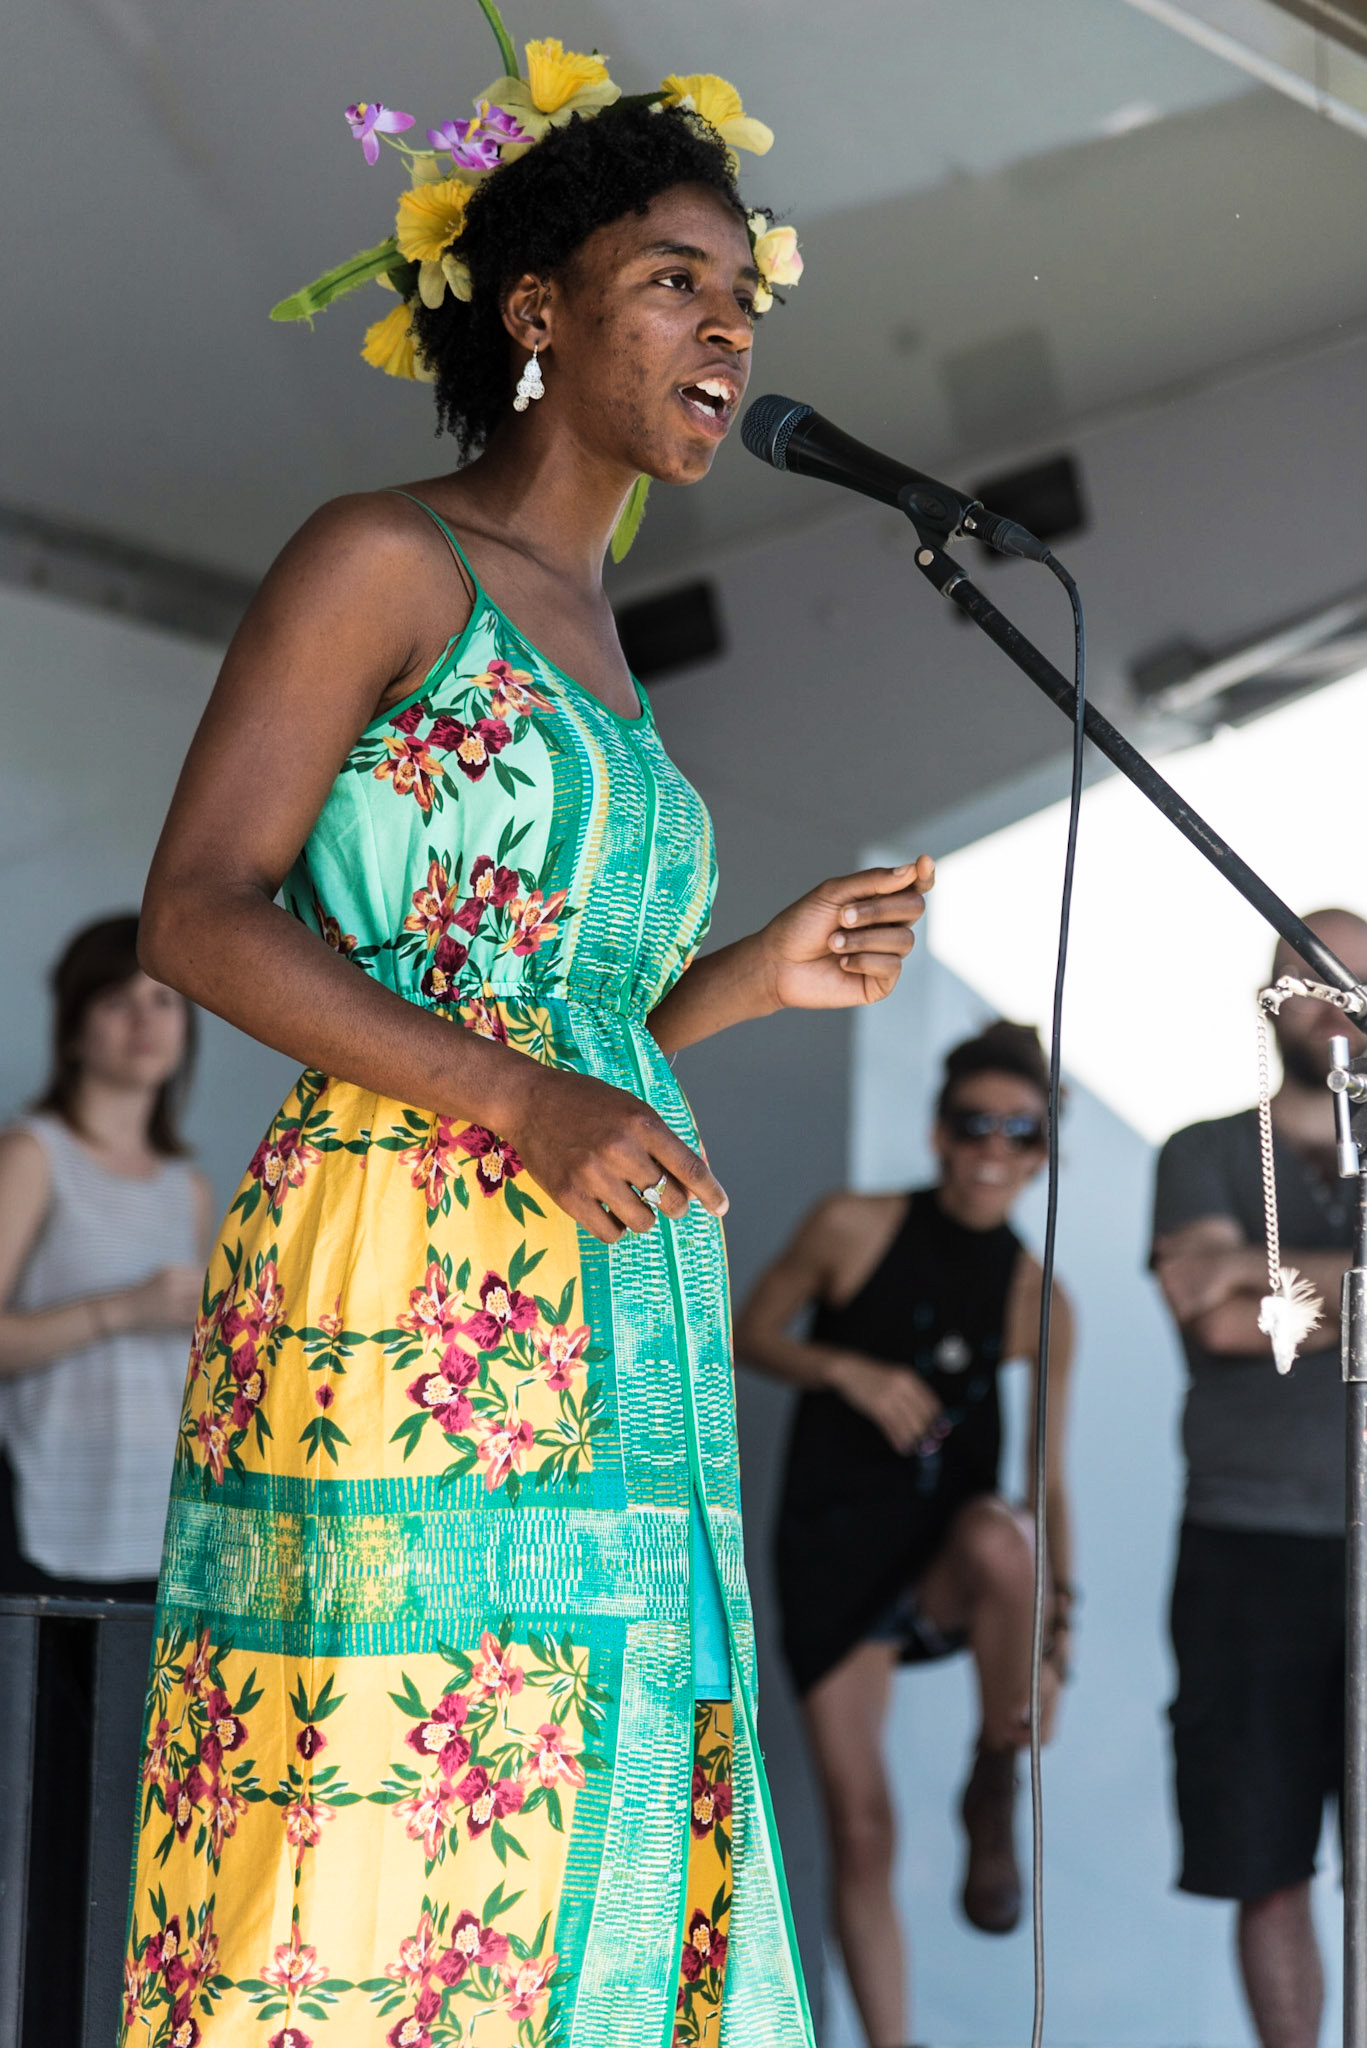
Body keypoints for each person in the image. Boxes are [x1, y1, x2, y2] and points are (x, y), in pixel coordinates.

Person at [118, 23, 936, 2048]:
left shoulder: (605, 644)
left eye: (739, 297)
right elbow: (197, 910)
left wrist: (746, 977)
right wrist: (517, 1093)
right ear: (535, 313)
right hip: (407, 1272)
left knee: (579, 1801)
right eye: (673, 281)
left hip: (603, 1297)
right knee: (384, 1809)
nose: (725, 329)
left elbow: (568, 1017)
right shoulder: (382, 557)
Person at [736, 1020, 1075, 2048]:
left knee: (1007, 1540)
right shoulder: (853, 1223)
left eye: (1020, 1130)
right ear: (937, 1131)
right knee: (862, 1824)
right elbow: (749, 1332)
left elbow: (1045, 1479)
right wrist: (847, 1369)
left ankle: (992, 1774)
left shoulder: (1038, 1295)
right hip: (833, 1543)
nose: (993, 1147)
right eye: (974, 1122)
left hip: (944, 1547)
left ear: (1041, 1152)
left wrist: (1054, 1640)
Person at [1152, 907, 1367, 2048]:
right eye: (1306, 972)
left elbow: (1250, 1302)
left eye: (1353, 979)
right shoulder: (1200, 1152)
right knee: (1262, 1857)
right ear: (1267, 992)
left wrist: (1257, 1265)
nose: (1331, 998)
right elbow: (1217, 1319)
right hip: (1245, 1547)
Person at [0, 912, 210, 1600]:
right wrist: (126, 1309)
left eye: (163, 1001)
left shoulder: (188, 1188)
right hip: (46, 1514)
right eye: (118, 1001)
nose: (145, 1021)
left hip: (159, 1521)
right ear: (73, 1028)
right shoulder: (32, 1155)